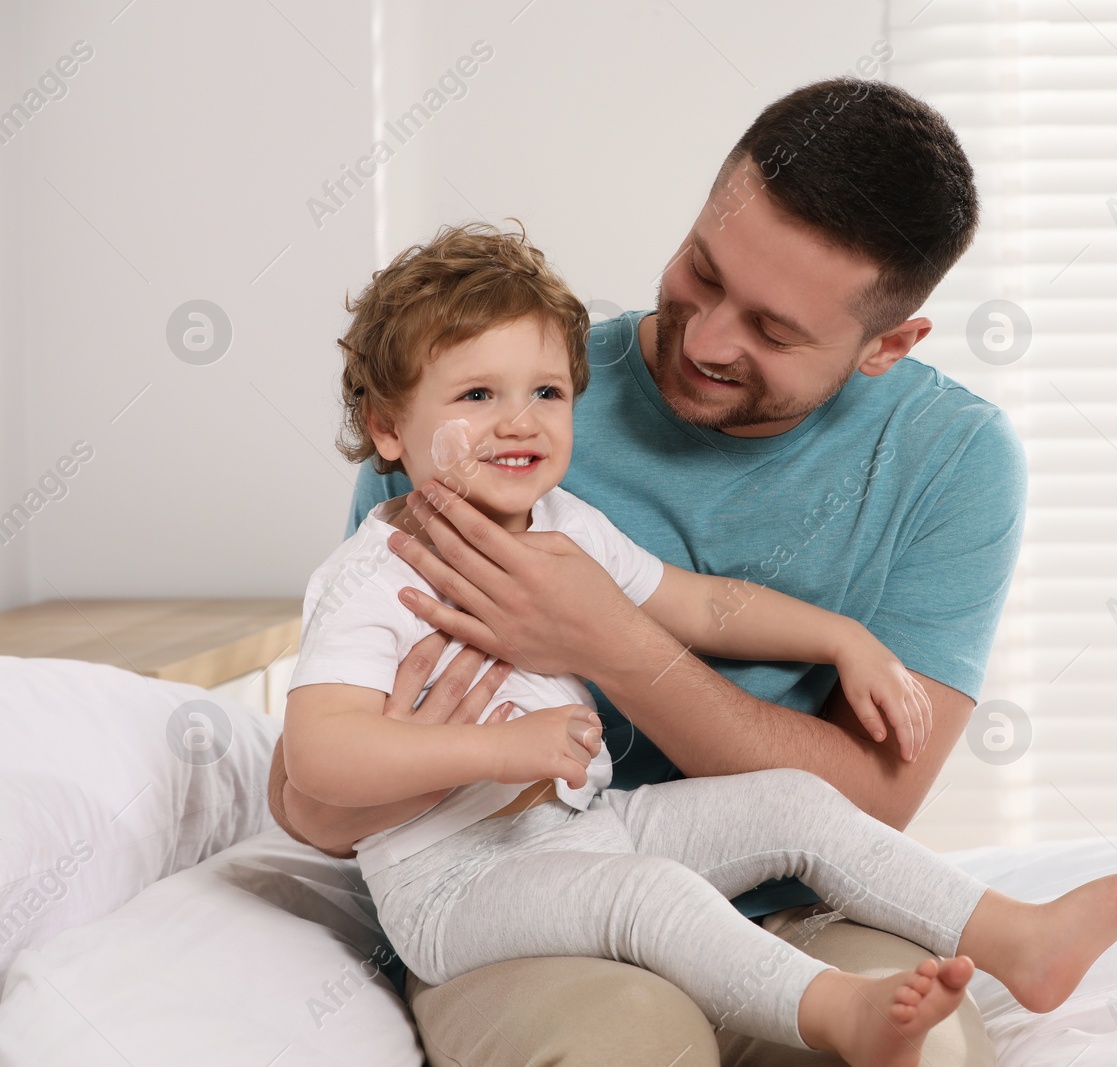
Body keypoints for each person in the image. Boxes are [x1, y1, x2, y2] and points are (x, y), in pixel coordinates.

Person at [268, 76, 1053, 1065]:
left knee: (924, 1051)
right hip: (516, 899)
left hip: (788, 895)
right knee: (626, 1042)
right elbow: (308, 797)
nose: (709, 338)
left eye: (772, 329)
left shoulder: (952, 458)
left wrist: (605, 640)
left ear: (885, 346)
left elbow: (869, 800)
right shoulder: (477, 397)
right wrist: (466, 761)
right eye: (702, 270)